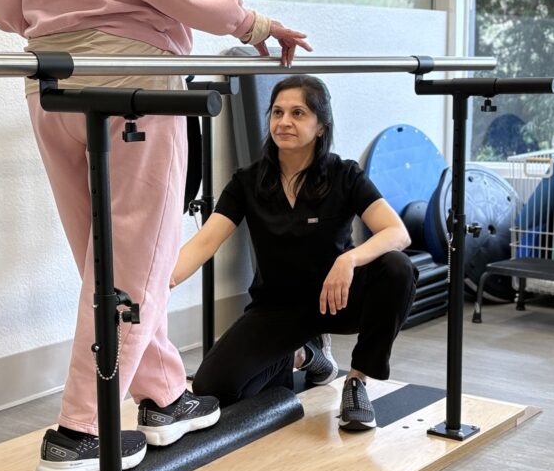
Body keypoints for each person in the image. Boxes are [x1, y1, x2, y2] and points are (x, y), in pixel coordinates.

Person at [0, 0, 312, 471]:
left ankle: (163, 396)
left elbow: (4, 4)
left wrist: (67, 12)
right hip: (129, 77)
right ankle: (81, 430)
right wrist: (250, 23)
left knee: (110, 264)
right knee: (137, 265)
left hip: (49, 80)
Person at [172, 75, 417, 429]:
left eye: (298, 113)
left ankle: (356, 382)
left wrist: (349, 259)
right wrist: (159, 281)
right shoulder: (247, 182)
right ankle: (304, 355)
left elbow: (397, 232)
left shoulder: (343, 174)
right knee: (215, 387)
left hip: (338, 299)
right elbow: (204, 242)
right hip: (278, 308)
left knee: (398, 269)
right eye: (277, 112)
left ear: (320, 126)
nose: (284, 122)